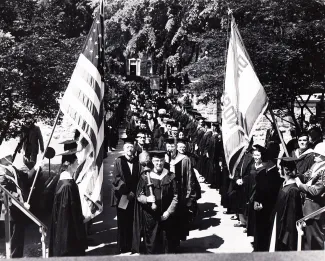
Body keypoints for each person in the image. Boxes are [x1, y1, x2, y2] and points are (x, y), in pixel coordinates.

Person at [0, 150, 45, 258]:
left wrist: (36, 168)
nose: (11, 158)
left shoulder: (12, 169)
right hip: (9, 213)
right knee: (13, 243)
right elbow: (5, 193)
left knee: (19, 240)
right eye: (8, 156)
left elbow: (26, 177)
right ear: (2, 159)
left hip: (19, 211)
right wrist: (21, 203)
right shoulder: (1, 174)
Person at [133, 151, 178, 254]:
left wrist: (169, 212)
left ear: (164, 161)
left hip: (166, 216)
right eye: (157, 161)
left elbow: (176, 196)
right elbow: (139, 195)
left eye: (161, 160)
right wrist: (147, 199)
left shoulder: (170, 176)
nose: (159, 163)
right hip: (151, 217)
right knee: (151, 244)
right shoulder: (145, 177)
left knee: (167, 244)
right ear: (152, 161)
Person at [49, 153, 87, 257]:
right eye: (76, 162)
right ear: (69, 164)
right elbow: (69, 210)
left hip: (64, 222)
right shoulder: (67, 185)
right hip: (69, 225)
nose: (78, 164)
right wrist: (80, 220)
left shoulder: (62, 179)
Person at [111, 137, 141, 254]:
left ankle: (134, 246)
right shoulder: (119, 161)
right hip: (123, 196)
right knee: (123, 221)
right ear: (124, 149)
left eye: (131, 147)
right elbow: (116, 178)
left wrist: (135, 192)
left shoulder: (138, 161)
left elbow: (140, 178)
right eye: (127, 147)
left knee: (134, 221)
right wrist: (127, 191)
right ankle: (123, 246)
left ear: (134, 148)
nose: (129, 149)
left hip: (135, 196)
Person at [251, 144, 282, 252]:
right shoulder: (262, 173)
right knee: (259, 230)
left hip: (269, 209)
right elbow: (258, 190)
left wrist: (262, 203)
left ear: (269, 162)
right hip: (259, 208)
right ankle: (258, 247)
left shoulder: (276, 177)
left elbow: (273, 194)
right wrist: (256, 201)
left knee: (265, 231)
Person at [295, 141, 325, 250]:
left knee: (316, 239)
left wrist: (300, 185)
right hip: (307, 207)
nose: (314, 156)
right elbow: (306, 175)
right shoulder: (315, 165)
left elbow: (316, 191)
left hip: (315, 208)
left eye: (317, 154)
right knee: (308, 239)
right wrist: (295, 173)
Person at [269, 157, 303, 251]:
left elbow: (291, 216)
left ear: (286, 170)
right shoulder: (284, 184)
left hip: (285, 228)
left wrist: (287, 234)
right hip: (278, 222)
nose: (278, 171)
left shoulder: (293, 190)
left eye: (280, 169)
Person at [170, 138, 199, 245]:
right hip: (172, 189)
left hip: (181, 191)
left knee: (179, 216)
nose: (182, 148)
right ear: (176, 148)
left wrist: (189, 194)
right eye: (180, 147)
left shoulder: (186, 159)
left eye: (183, 147)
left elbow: (190, 177)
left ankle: (176, 240)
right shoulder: (172, 158)